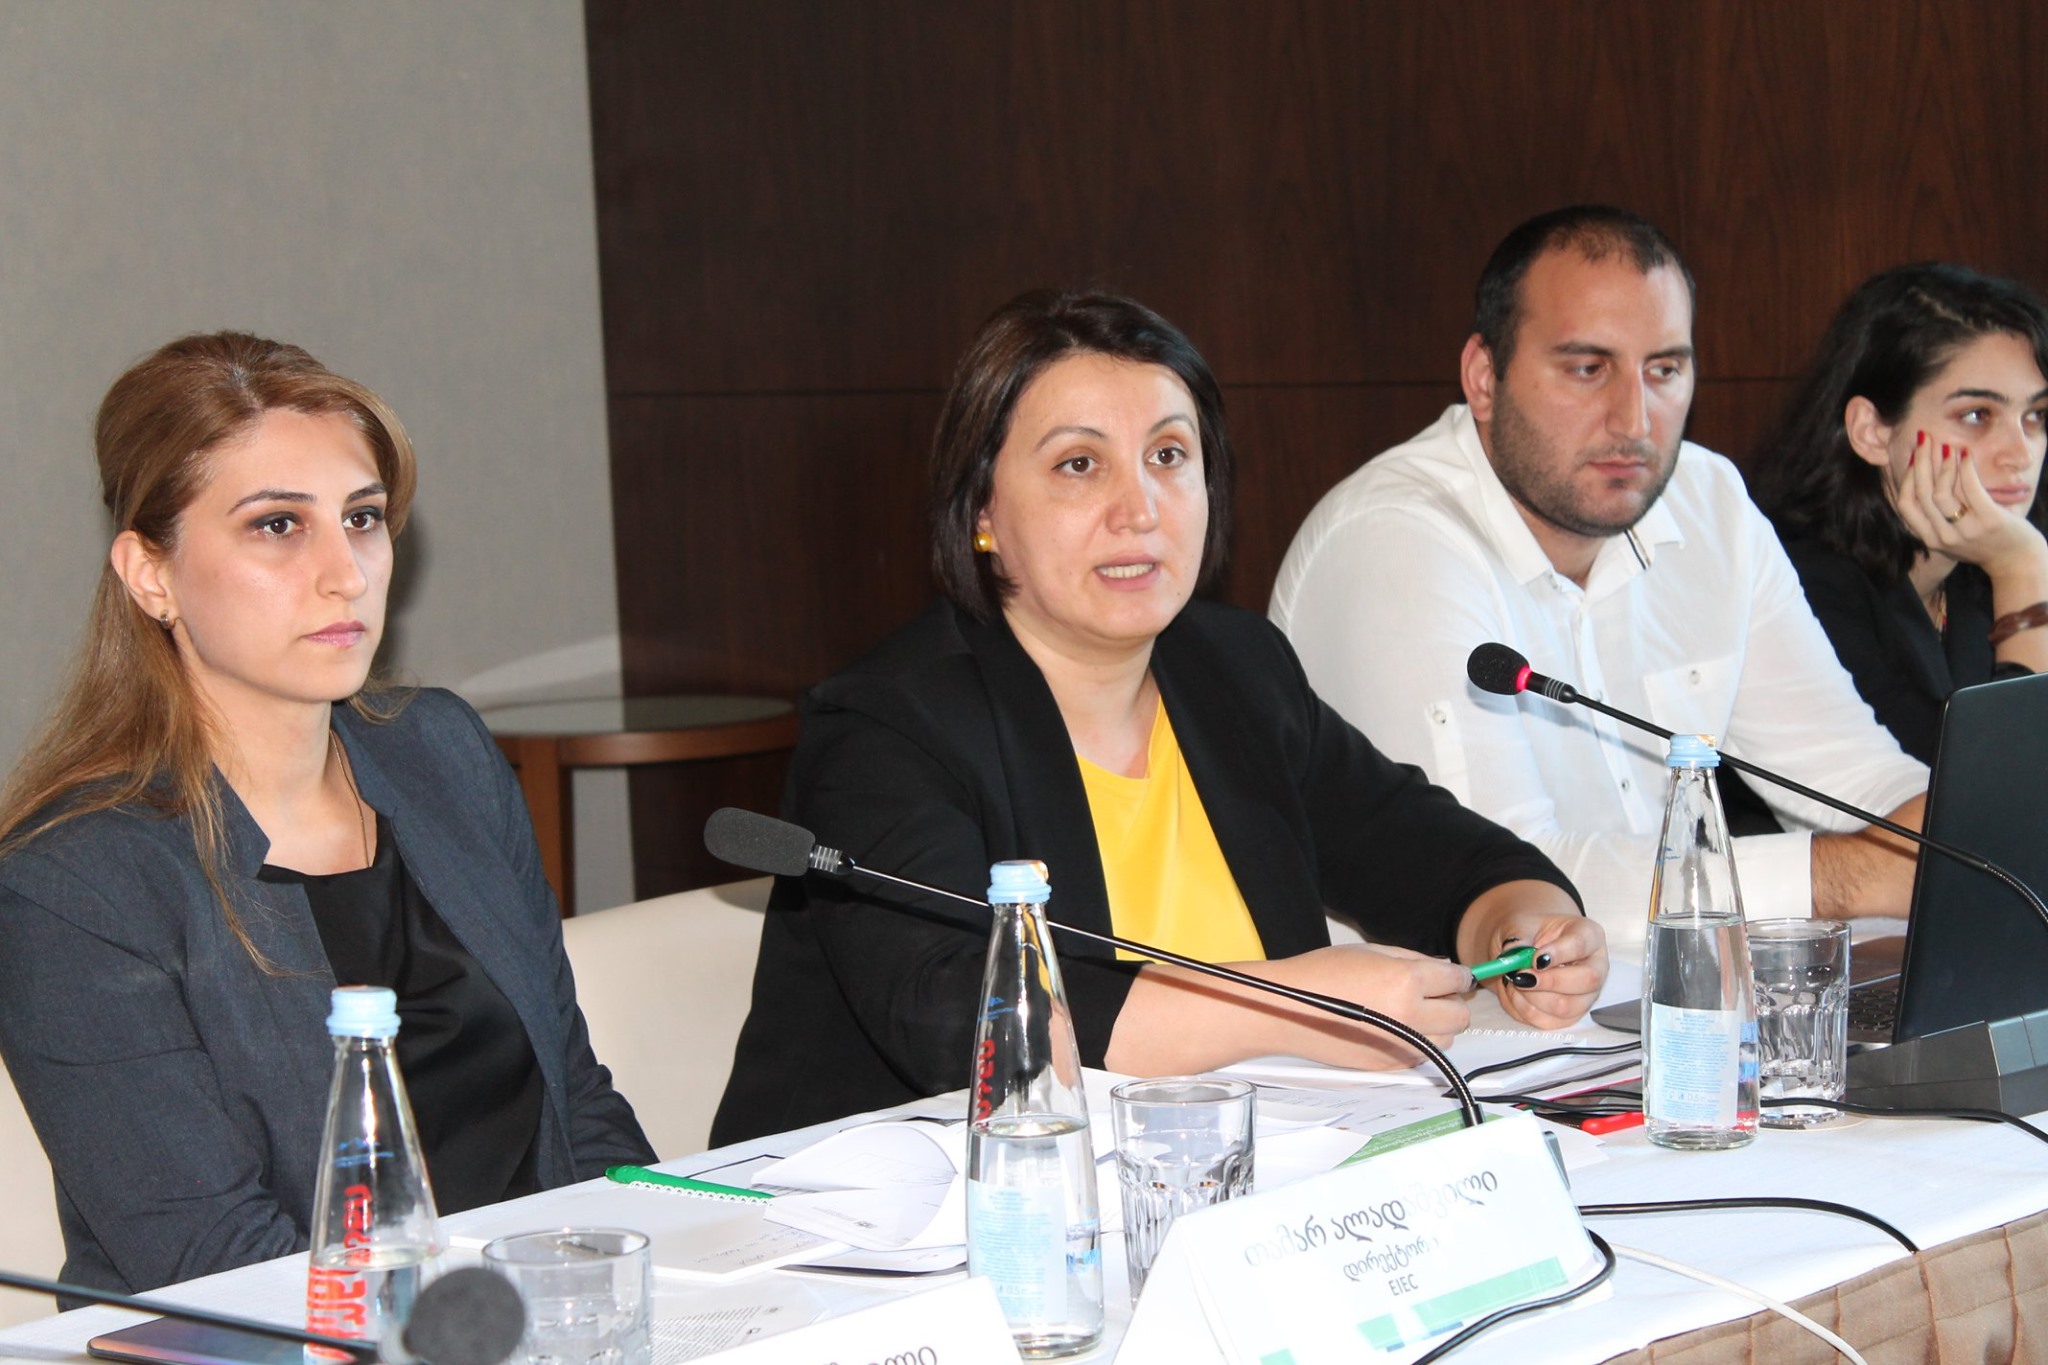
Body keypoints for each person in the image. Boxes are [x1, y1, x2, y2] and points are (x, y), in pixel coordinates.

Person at [711, 290, 1606, 1145]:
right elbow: (969, 1022)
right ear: (983, 510)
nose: (1139, 509)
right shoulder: (885, 726)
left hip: (1226, 1182)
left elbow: (1431, 852)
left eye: (1170, 456)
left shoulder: (1235, 670)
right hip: (885, 1216)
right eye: (1078, 465)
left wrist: (1524, 930)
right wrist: (1299, 1005)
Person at [0, 333, 653, 1296]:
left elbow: (577, 1102)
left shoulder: (441, 751)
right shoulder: (74, 876)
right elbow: (215, 1261)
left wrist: (653, 1279)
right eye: (278, 525)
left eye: (362, 517)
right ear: (150, 574)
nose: (346, 571)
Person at [1269, 206, 1930, 947]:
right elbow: (1496, 879)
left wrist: (1966, 838)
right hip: (1447, 1013)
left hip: (1663, 998)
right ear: (1484, 379)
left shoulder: (1708, 502)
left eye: (1665, 370)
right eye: (1588, 369)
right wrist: (1845, 878)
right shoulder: (1393, 541)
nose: (1635, 421)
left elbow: (1853, 777)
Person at [1748, 262, 2048, 764]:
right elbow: (1991, 788)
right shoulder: (1803, 592)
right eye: (1977, 415)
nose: (2021, 453)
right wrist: (2021, 569)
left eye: (2036, 415)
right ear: (1872, 432)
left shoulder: (1977, 575)